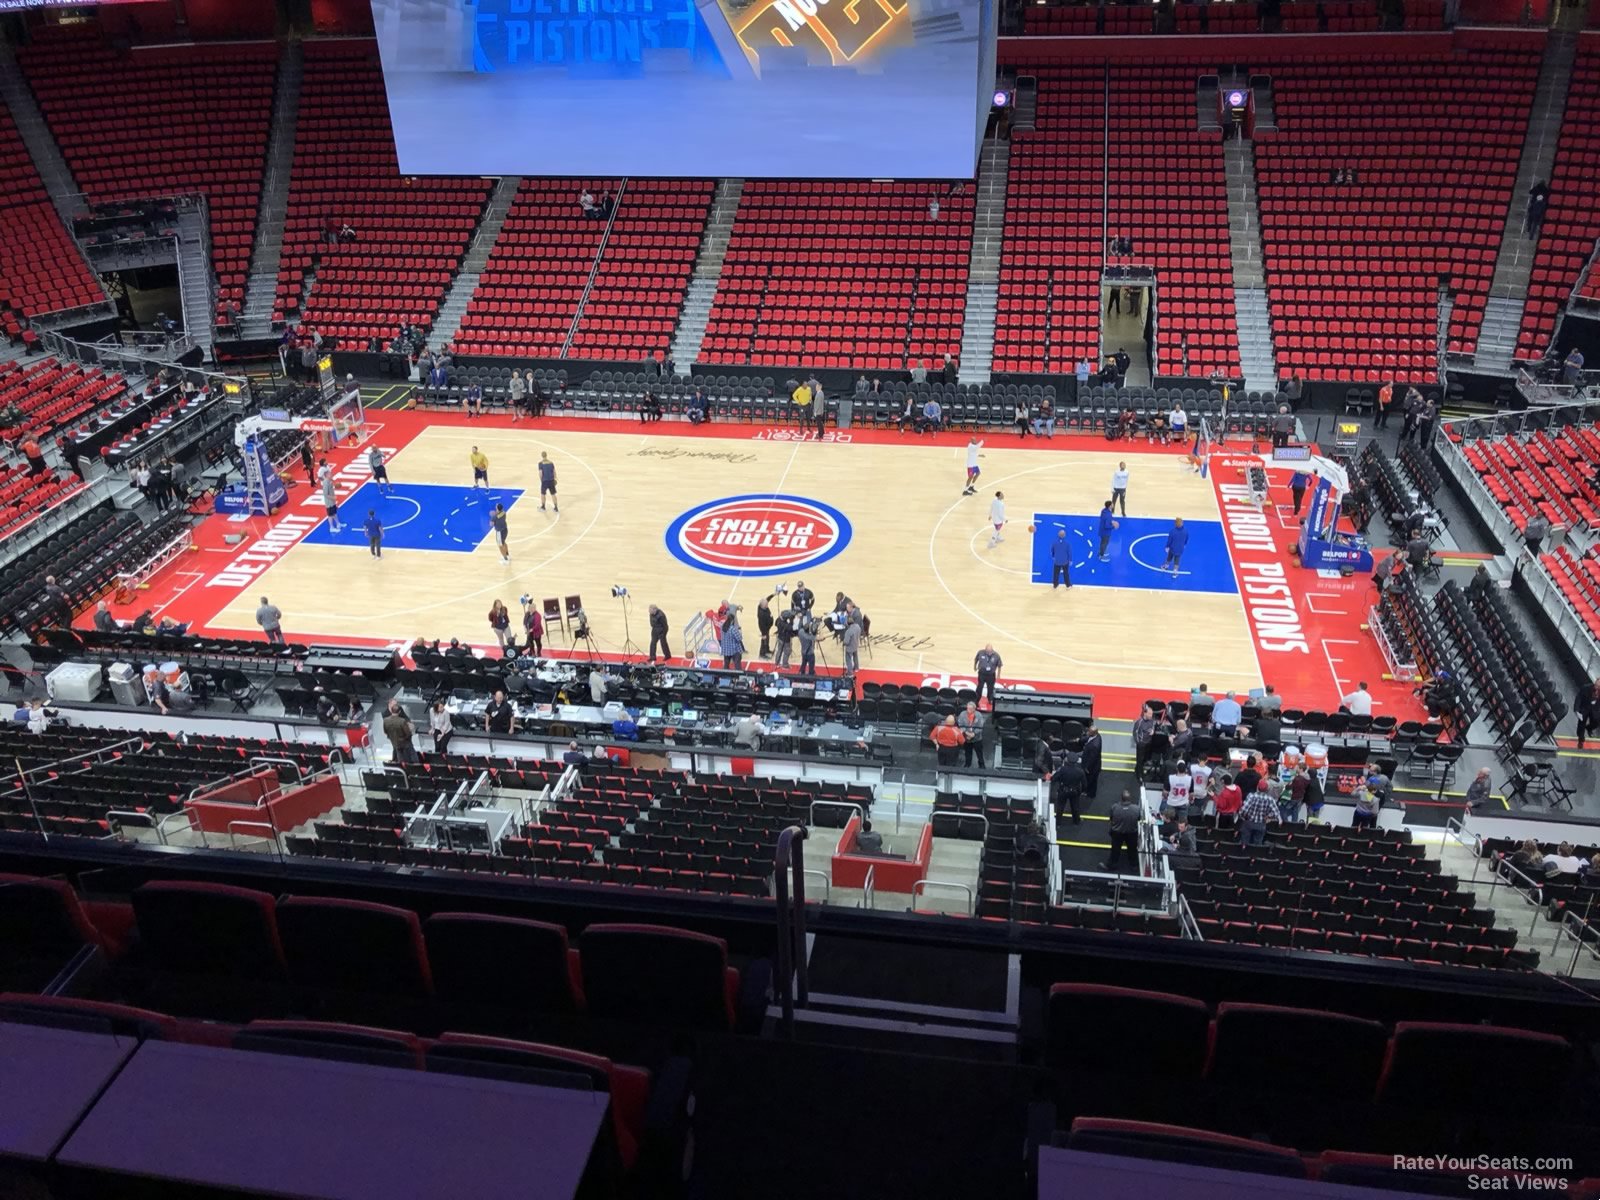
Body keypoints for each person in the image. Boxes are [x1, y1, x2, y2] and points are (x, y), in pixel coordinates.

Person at [1104, 790, 1142, 873]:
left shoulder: (1114, 807)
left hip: (1117, 833)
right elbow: (1139, 818)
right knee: (1132, 849)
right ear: (1130, 798)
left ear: (1121, 798)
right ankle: (1134, 865)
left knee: (1115, 849)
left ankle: (1112, 864)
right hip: (1131, 832)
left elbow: (1111, 818)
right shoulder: (1136, 808)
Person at [1238, 779, 1280, 846]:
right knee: (1257, 846)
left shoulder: (1251, 796)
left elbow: (1243, 810)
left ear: (1257, 787)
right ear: (1267, 789)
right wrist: (1269, 816)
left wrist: (1243, 817)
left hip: (1248, 823)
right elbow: (1276, 813)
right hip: (1261, 825)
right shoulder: (1270, 799)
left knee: (1244, 845)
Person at [1052, 752, 1088, 822]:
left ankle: (1058, 821)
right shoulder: (1080, 771)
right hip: (1075, 791)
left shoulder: (1062, 770)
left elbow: (1054, 778)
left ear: (1067, 760)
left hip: (1063, 790)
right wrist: (1081, 791)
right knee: (1075, 807)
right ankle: (1076, 821)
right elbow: (1084, 784)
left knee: (1060, 806)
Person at [1131, 703, 1158, 779]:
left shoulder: (1152, 720)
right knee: (1139, 760)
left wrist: (1153, 730)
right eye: (1149, 714)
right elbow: (1135, 733)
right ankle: (1139, 775)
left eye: (1152, 714)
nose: (1151, 716)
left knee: (1145, 759)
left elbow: (1153, 725)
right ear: (1145, 713)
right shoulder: (1139, 722)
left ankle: (1138, 769)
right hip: (1141, 745)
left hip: (1148, 743)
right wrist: (1139, 742)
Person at [956, 701, 986, 769]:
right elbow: (960, 725)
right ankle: (967, 764)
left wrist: (974, 734)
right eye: (967, 708)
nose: (968, 710)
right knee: (967, 752)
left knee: (979, 753)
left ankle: (981, 765)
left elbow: (980, 726)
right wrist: (967, 733)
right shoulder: (962, 714)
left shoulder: (979, 715)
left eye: (970, 709)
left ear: (974, 709)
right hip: (966, 738)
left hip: (977, 738)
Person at [1574, 678, 1600, 749]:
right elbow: (1579, 697)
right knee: (1581, 724)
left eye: (1598, 686)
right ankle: (1581, 740)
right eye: (1596, 685)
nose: (1596, 687)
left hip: (1594, 710)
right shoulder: (1586, 688)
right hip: (1585, 708)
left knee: (1596, 722)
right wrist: (1576, 709)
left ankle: (1589, 728)